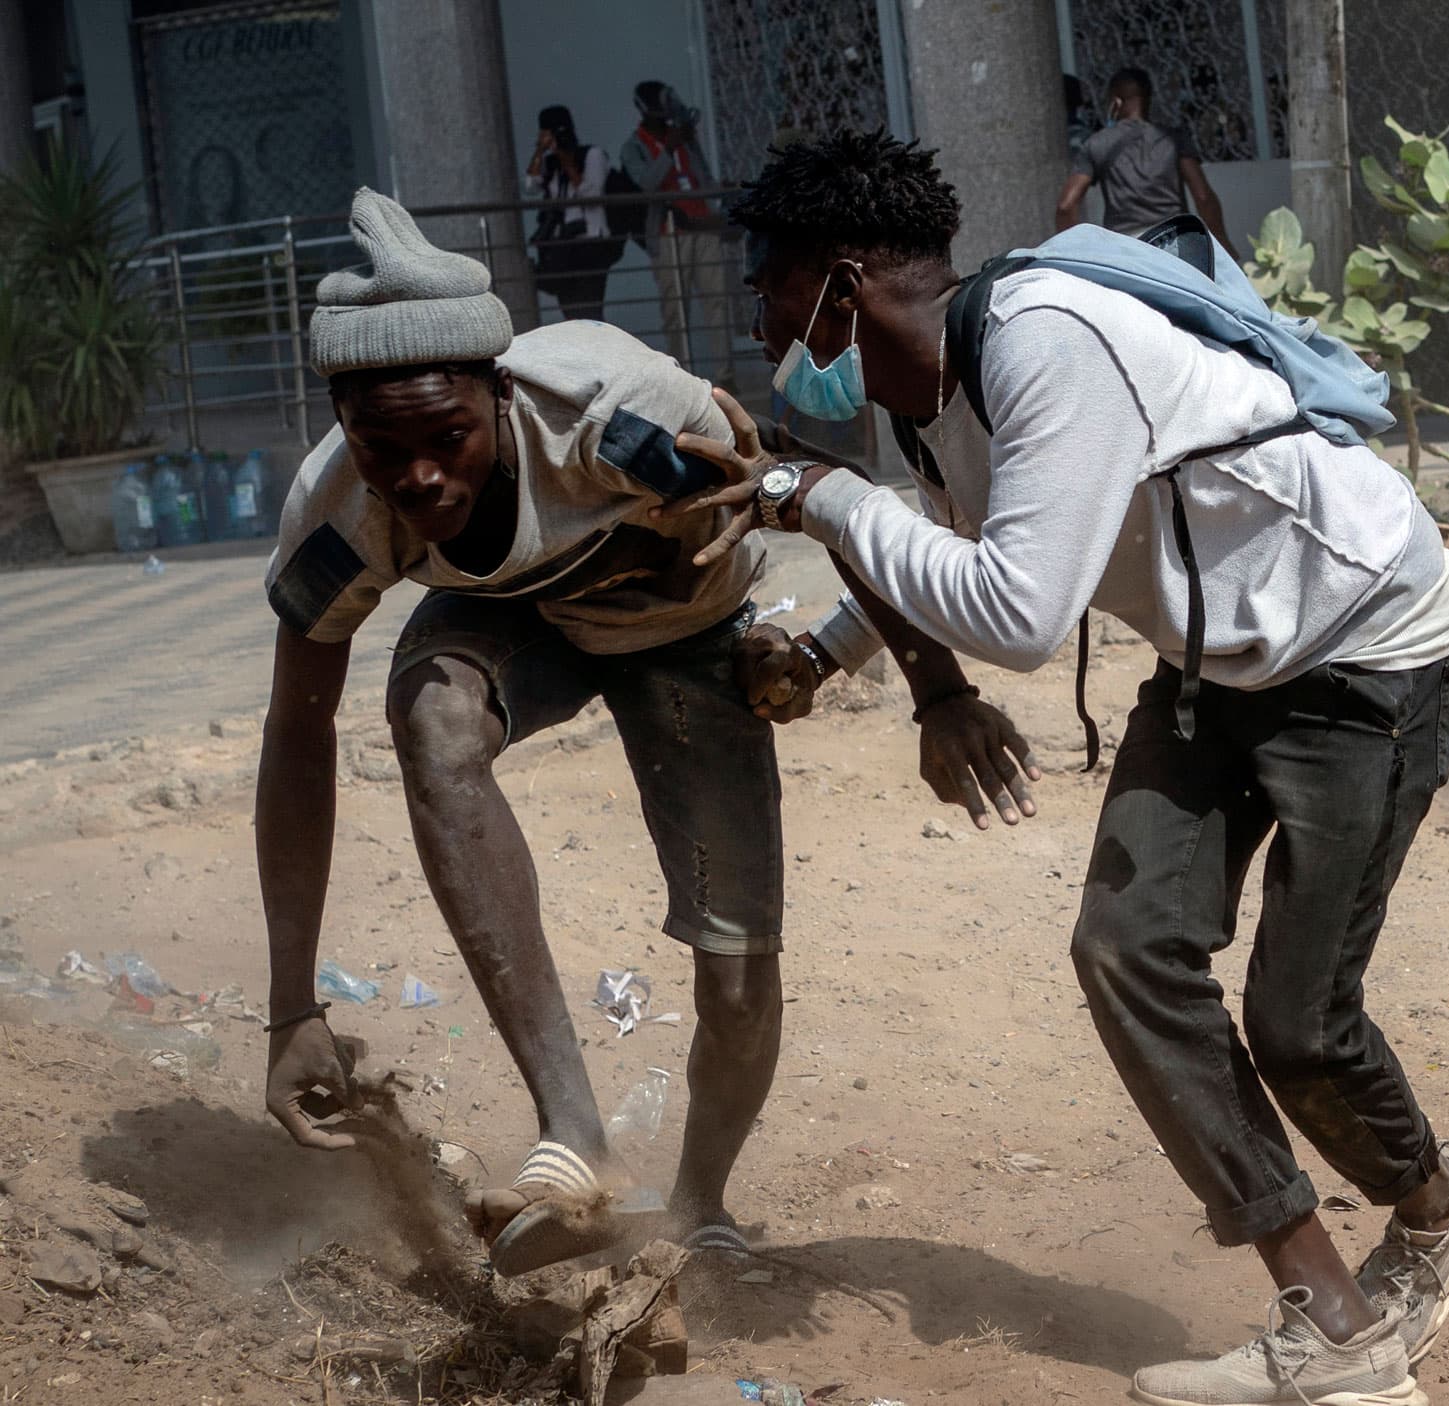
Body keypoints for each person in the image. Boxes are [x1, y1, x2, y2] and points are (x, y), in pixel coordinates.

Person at [680, 129, 1449, 1406]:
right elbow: (966, 538)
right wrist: (839, 652)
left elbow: (1017, 613)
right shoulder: (930, 393)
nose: (763, 320)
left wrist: (819, 495)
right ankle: (1331, 1318)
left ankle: (1437, 1203)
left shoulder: (1043, 341)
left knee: (1300, 1025)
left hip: (1362, 656)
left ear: (840, 283)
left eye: (769, 290)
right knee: (1126, 946)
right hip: (1216, 665)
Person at [254, 188, 1028, 1275]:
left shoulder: (616, 418)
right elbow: (297, 729)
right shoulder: (344, 512)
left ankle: (698, 1201)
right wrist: (291, 1005)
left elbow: (819, 490)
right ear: (345, 430)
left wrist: (935, 689)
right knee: (432, 723)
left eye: (449, 438)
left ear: (501, 393)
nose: (421, 476)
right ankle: (571, 1132)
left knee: (738, 973)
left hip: (685, 630)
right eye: (386, 447)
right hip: (519, 623)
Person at [621, 81, 736, 387]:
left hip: (702, 226)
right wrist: (669, 148)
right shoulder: (634, 146)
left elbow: (703, 178)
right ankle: (681, 380)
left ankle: (725, 375)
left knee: (717, 301)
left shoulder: (684, 137)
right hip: (668, 232)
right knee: (676, 310)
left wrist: (721, 195)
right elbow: (647, 184)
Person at [1055, 67, 1239, 257]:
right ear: (1149, 99)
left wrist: (1074, 252)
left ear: (1115, 102)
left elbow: (1066, 206)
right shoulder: (1174, 139)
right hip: (1175, 241)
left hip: (1125, 247)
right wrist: (1222, 241)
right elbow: (1203, 196)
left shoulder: (1097, 144)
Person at [526, 105, 619, 323]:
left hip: (590, 243)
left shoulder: (592, 155)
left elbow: (591, 193)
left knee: (589, 310)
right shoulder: (549, 163)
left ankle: (598, 352)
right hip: (562, 246)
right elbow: (530, 186)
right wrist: (540, 151)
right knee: (570, 313)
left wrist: (567, 162)